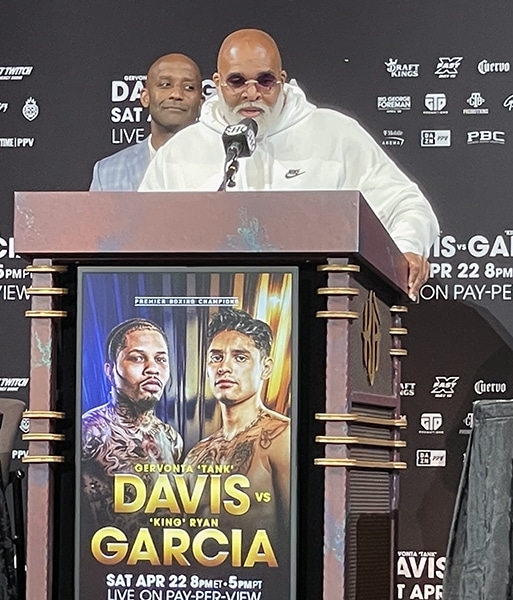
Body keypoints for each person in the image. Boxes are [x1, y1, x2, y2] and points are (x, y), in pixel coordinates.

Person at [138, 29, 439, 300]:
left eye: (265, 81)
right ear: (217, 84)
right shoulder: (181, 151)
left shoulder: (335, 134)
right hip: (207, 305)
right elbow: (139, 233)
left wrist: (406, 248)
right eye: (237, 81)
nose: (252, 92)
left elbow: (406, 204)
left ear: (281, 81)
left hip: (319, 303)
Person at [184, 308, 291, 568]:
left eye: (240, 357)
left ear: (265, 368)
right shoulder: (195, 454)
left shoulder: (281, 437)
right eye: (216, 357)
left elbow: (298, 537)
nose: (224, 367)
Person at [81, 318, 183, 529]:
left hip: (165, 556)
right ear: (109, 371)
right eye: (137, 358)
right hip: (107, 555)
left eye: (161, 359)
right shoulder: (90, 431)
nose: (152, 369)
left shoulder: (172, 438)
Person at [90, 53, 203, 190]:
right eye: (165, 85)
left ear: (201, 102)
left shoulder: (222, 165)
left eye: (188, 87)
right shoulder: (106, 172)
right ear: (145, 97)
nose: (176, 94)